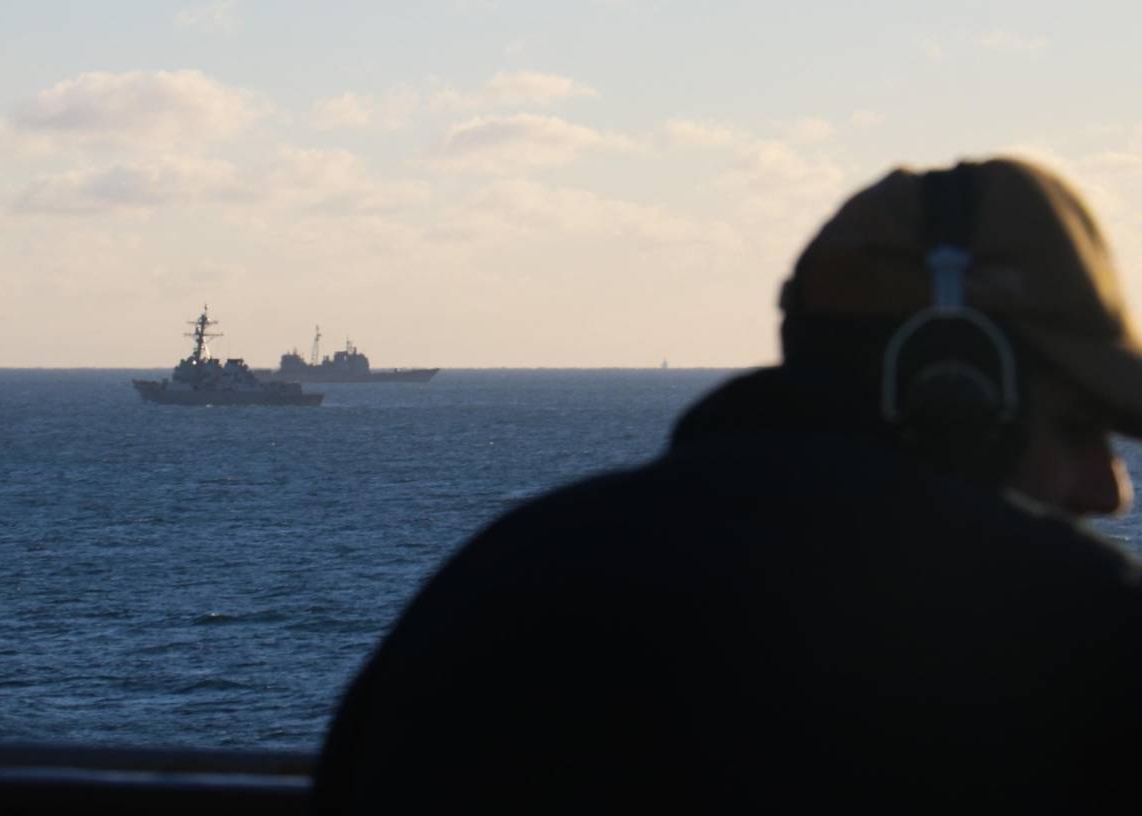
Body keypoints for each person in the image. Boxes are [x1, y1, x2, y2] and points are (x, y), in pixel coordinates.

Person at [314, 158, 1142, 813]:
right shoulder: (1086, 634)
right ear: (951, 386)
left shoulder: (485, 594)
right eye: (1075, 428)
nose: (1110, 491)